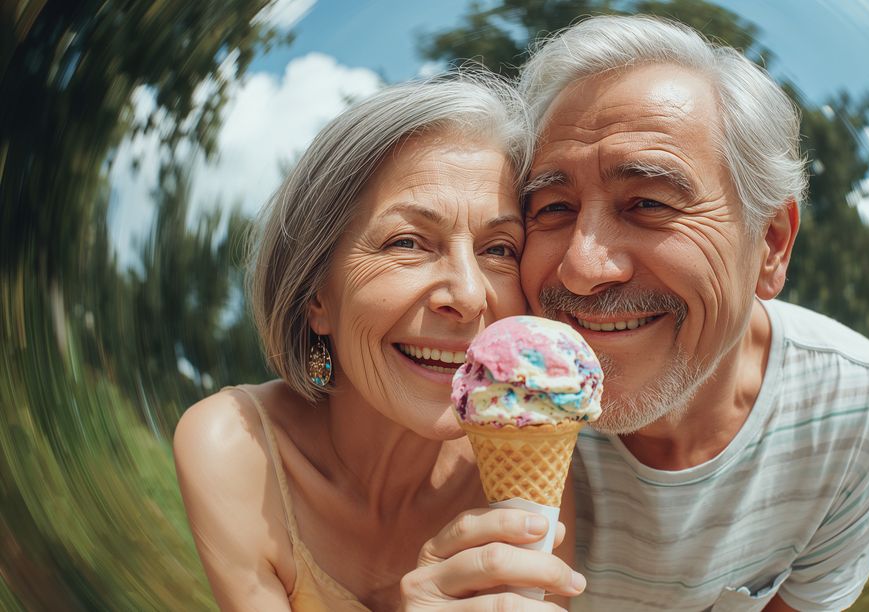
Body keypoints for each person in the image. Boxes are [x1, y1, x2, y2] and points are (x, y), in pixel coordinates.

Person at [512, 15, 869, 611]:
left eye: (648, 202)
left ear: (771, 245)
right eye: (552, 207)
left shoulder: (854, 415)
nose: (582, 266)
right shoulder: (487, 397)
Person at [172, 76, 586, 611]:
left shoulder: (535, 458)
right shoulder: (234, 449)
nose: (465, 294)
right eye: (407, 242)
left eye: (499, 248)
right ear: (317, 294)